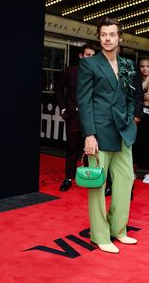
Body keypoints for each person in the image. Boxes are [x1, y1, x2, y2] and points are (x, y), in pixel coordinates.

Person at [77, 16, 137, 253]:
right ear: (99, 37)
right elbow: (84, 101)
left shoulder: (128, 65)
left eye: (112, 34)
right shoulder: (90, 64)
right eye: (103, 35)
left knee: (125, 182)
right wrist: (89, 134)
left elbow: (132, 97)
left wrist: (130, 119)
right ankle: (100, 235)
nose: (107, 39)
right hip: (100, 131)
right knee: (98, 185)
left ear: (119, 37)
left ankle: (118, 229)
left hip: (123, 132)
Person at [56, 44, 95, 191]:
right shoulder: (70, 71)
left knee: (89, 149)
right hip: (73, 116)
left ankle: (88, 177)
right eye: (88, 55)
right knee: (71, 149)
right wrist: (63, 109)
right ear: (81, 56)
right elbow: (59, 90)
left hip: (90, 117)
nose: (90, 58)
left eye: (93, 55)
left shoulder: (96, 73)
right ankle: (68, 178)